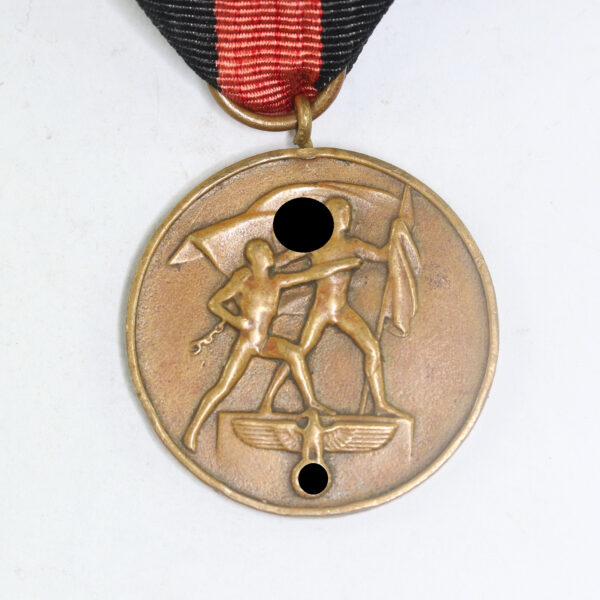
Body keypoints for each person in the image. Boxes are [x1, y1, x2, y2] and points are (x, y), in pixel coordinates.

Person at [183, 238, 361, 452]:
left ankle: (312, 402)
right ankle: (192, 430)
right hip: (247, 342)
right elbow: (214, 302)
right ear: (256, 257)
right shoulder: (243, 279)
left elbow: (311, 274)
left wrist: (343, 264)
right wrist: (235, 320)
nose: (271, 254)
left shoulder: (276, 281)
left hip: (265, 342)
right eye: (266, 251)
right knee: (223, 387)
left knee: (294, 354)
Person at [260, 197, 414, 419]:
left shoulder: (354, 245)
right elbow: (280, 261)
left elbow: (381, 255)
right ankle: (267, 401)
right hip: (320, 310)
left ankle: (380, 404)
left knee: (372, 347)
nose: (347, 217)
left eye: (348, 213)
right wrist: (260, 263)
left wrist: (396, 233)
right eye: (342, 213)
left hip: (341, 309)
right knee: (298, 352)